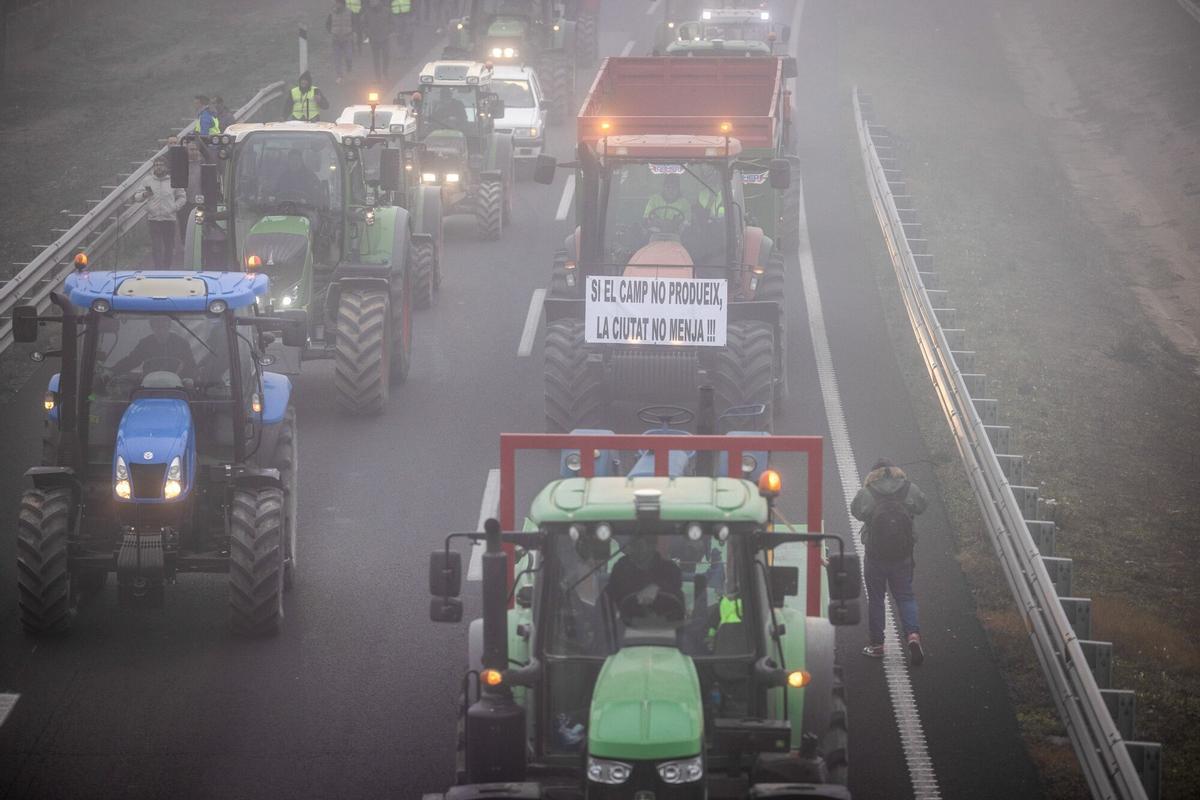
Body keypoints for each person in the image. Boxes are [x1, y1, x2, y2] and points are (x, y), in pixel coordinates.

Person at [851, 458, 929, 664]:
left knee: (876, 599)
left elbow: (856, 512)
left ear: (872, 474)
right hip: (902, 555)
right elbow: (923, 506)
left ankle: (877, 645)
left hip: (875, 555)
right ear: (896, 471)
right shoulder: (908, 488)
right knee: (905, 596)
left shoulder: (868, 491)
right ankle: (913, 636)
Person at [606, 536, 684, 625]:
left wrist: (657, 587)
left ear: (652, 546)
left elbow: (675, 581)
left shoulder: (670, 569)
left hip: (666, 628)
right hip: (626, 629)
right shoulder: (621, 569)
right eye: (632, 545)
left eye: (638, 546)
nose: (633, 550)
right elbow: (607, 599)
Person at [136, 158, 186, 269]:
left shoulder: (174, 180)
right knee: (156, 246)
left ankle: (166, 268)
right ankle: (158, 268)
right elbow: (137, 197)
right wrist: (144, 194)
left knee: (169, 246)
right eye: (156, 165)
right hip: (153, 218)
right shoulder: (147, 180)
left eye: (161, 164)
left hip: (169, 218)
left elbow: (182, 197)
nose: (158, 167)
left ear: (166, 167)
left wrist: (174, 207)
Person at [111, 317, 196, 377]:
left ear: (169, 327)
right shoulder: (145, 344)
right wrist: (112, 371)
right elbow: (132, 360)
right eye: (158, 327)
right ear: (152, 328)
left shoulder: (181, 344)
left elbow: (190, 364)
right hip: (149, 385)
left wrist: (190, 378)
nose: (161, 331)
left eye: (164, 327)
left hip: (177, 385)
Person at [327, 0, 355, 84]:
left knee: (349, 57)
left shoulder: (350, 12)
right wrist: (332, 32)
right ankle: (339, 76)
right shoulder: (331, 13)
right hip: (336, 40)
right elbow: (327, 24)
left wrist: (351, 32)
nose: (337, 5)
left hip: (347, 39)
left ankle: (349, 71)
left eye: (339, 3)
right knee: (337, 59)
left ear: (343, 4)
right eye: (336, 3)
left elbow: (354, 23)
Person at [364, 0, 392, 83]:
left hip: (385, 38)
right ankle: (378, 77)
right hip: (374, 39)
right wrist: (368, 32)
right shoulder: (367, 12)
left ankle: (385, 73)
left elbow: (392, 22)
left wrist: (389, 31)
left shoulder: (387, 11)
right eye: (371, 1)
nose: (372, 2)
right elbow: (364, 24)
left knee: (386, 56)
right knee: (376, 59)